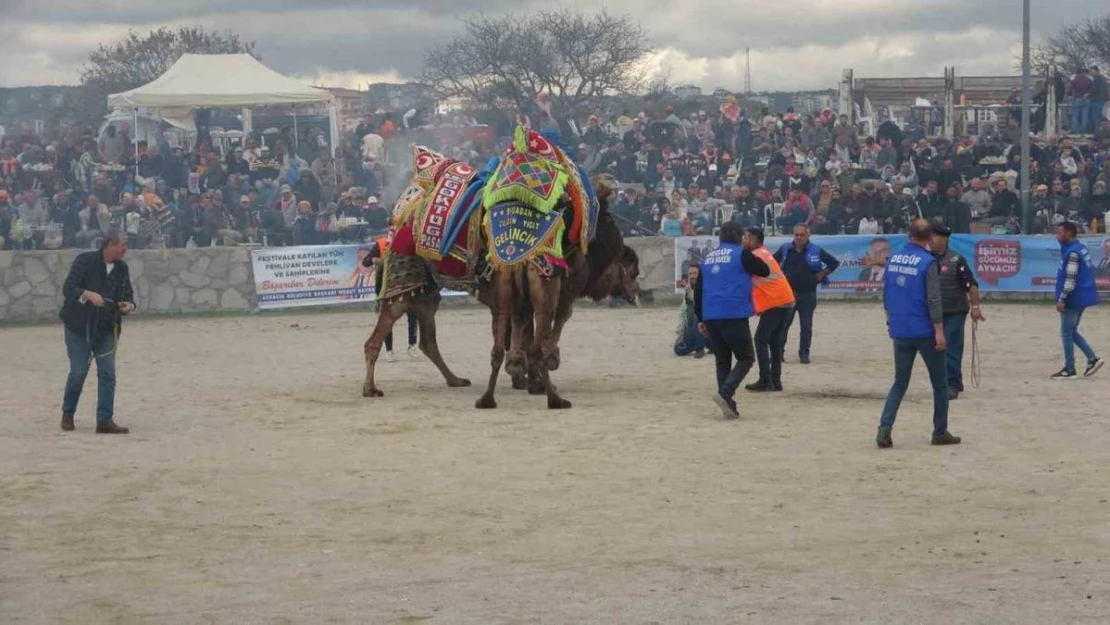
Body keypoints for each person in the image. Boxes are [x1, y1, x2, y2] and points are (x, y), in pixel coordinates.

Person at [876, 218, 961, 449]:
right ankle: (939, 431)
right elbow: (933, 299)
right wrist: (939, 332)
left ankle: (885, 428)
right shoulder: (927, 262)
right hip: (924, 330)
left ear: (908, 235)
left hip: (900, 329)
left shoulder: (892, 260)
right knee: (940, 384)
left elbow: (887, 293)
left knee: (900, 382)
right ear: (930, 237)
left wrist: (890, 319)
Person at [58, 227, 135, 434]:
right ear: (110, 245)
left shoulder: (122, 268)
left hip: (106, 328)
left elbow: (128, 294)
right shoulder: (84, 261)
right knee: (79, 372)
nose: (125, 249)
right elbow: (68, 288)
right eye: (123, 245)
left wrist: (129, 305)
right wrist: (87, 295)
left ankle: (104, 420)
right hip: (78, 327)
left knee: (108, 372)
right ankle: (68, 412)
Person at [693, 222, 771, 419]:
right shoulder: (741, 254)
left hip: (711, 314)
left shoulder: (707, 258)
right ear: (739, 237)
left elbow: (698, 290)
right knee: (746, 357)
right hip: (733, 313)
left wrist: (701, 319)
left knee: (722, 360)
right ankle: (725, 393)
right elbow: (764, 270)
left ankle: (727, 403)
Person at [930, 224, 985, 399]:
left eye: (934, 237)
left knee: (951, 347)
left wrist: (975, 307)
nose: (930, 241)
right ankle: (954, 381)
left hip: (954, 310)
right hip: (934, 312)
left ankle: (951, 384)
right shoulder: (926, 259)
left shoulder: (956, 260)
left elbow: (971, 285)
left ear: (944, 239)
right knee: (937, 349)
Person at [774, 223, 840, 363]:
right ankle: (778, 353)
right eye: (796, 235)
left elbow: (834, 263)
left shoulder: (815, 250)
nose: (798, 237)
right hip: (788, 295)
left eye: (802, 235)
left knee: (806, 326)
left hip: (808, 294)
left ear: (808, 235)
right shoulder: (786, 249)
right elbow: (773, 262)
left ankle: (804, 354)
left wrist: (822, 274)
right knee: (783, 325)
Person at [742, 227, 796, 392]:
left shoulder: (754, 256)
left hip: (776, 302)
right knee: (774, 341)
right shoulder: (764, 253)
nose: (743, 240)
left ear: (754, 240)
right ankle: (775, 381)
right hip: (786, 300)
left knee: (760, 340)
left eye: (746, 237)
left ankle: (765, 379)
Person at [1052, 222, 1103, 379]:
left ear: (1069, 234)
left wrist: (1062, 299)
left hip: (1073, 298)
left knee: (1066, 333)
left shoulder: (1073, 253)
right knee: (1072, 331)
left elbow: (1070, 279)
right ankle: (1092, 359)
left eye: (1060, 233)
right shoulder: (1080, 248)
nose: (1057, 236)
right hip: (1082, 297)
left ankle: (1070, 369)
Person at [361, 233, 418, 362]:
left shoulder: (408, 241)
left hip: (406, 286)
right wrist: (374, 260)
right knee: (387, 320)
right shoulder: (381, 243)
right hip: (386, 288)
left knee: (413, 316)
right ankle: (389, 351)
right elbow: (366, 262)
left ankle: (412, 345)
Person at [673, 265, 707, 358]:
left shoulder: (706, 287)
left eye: (695, 273)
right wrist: (680, 334)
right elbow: (683, 314)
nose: (692, 276)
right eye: (690, 274)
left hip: (707, 328)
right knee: (678, 349)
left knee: (698, 316)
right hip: (692, 328)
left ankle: (700, 349)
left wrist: (690, 292)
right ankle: (696, 344)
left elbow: (701, 304)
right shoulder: (688, 289)